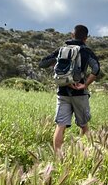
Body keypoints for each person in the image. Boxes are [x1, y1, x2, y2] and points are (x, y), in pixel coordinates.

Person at [39, 24, 101, 152]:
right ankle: (83, 154)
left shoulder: (62, 50)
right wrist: (85, 84)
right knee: (83, 126)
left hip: (62, 93)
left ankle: (58, 157)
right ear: (86, 38)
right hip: (80, 93)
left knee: (60, 126)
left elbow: (42, 63)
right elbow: (96, 69)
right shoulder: (86, 51)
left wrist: (58, 66)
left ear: (72, 35)